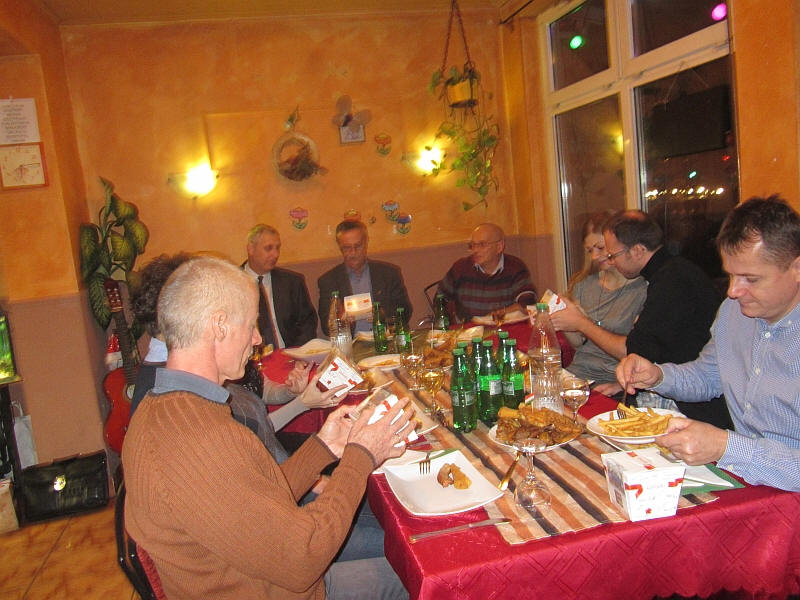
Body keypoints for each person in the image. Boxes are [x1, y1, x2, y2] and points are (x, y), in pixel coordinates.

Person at [123, 256, 412, 599]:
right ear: (218, 326)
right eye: (251, 325)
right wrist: (360, 456)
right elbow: (304, 558)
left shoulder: (169, 406)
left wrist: (323, 447)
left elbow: (253, 501)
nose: (258, 339)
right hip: (286, 587)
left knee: (405, 547)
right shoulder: (195, 438)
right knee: (421, 570)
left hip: (268, 574)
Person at [616, 196, 800, 492]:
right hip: (746, 481)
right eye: (731, 275)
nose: (733, 291)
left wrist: (726, 446)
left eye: (750, 279)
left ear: (797, 269)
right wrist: (657, 375)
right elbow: (708, 376)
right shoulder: (733, 313)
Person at [129, 253, 335, 426]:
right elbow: (250, 435)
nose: (257, 339)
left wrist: (290, 392)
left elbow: (259, 392)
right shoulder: (165, 391)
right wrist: (302, 404)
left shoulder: (204, 361)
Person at [599, 210, 731, 427]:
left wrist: (580, 323)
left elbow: (636, 349)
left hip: (696, 405)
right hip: (679, 383)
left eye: (613, 255)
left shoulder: (672, 280)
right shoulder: (673, 270)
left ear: (638, 250)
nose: (611, 262)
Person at [550, 211, 647, 386]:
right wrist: (562, 319)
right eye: (589, 251)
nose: (594, 257)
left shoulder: (643, 290)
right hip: (577, 375)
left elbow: (641, 353)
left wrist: (581, 322)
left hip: (614, 379)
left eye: (600, 248)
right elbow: (579, 344)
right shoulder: (583, 285)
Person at [318, 220, 412, 335]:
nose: (353, 252)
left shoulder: (388, 274)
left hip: (385, 338)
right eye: (347, 248)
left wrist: (382, 314)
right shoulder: (328, 281)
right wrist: (340, 320)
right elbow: (326, 327)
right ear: (340, 247)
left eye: (358, 246)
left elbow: (406, 312)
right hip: (351, 342)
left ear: (366, 242)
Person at [437, 223, 537, 321]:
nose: (475, 250)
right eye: (472, 245)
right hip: (469, 329)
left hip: (503, 327)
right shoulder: (461, 267)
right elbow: (440, 298)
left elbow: (527, 303)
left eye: (482, 244)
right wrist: (451, 322)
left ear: (499, 246)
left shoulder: (515, 267)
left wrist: (497, 315)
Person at [244, 224, 317, 348]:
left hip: (289, 354)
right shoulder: (232, 284)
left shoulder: (292, 282)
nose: (275, 254)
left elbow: (308, 323)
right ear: (250, 249)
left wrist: (296, 352)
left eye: (277, 248)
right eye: (268, 248)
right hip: (250, 356)